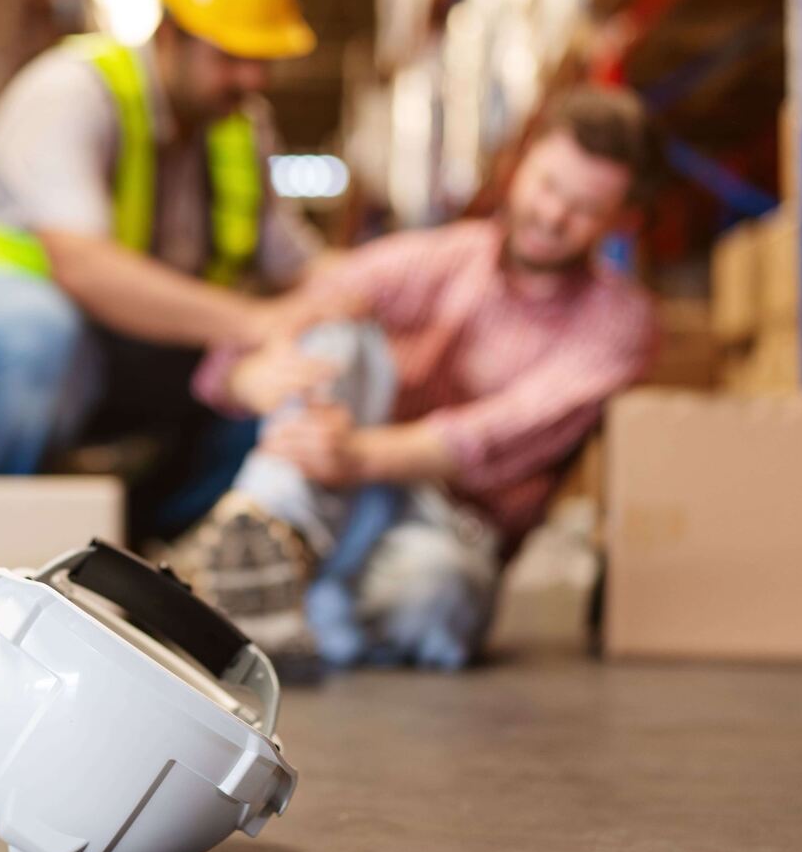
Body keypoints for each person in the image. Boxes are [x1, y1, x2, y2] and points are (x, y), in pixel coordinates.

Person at [0, 0, 337, 536]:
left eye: (262, 58)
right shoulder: (72, 92)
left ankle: (134, 535)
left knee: (280, 384)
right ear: (171, 35)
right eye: (231, 56)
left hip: (107, 348)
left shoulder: (241, 129)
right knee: (37, 332)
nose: (251, 79)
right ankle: (0, 541)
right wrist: (253, 322)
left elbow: (299, 267)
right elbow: (85, 269)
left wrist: (393, 288)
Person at [171, 84, 660, 668]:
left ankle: (265, 592)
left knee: (435, 594)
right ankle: (274, 524)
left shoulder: (618, 323)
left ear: (619, 221)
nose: (554, 216)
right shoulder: (444, 257)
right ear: (520, 161)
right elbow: (301, 305)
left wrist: (359, 454)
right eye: (549, 185)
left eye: (586, 209)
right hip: (335, 495)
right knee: (336, 327)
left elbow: (500, 434)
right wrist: (245, 375)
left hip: (448, 525)